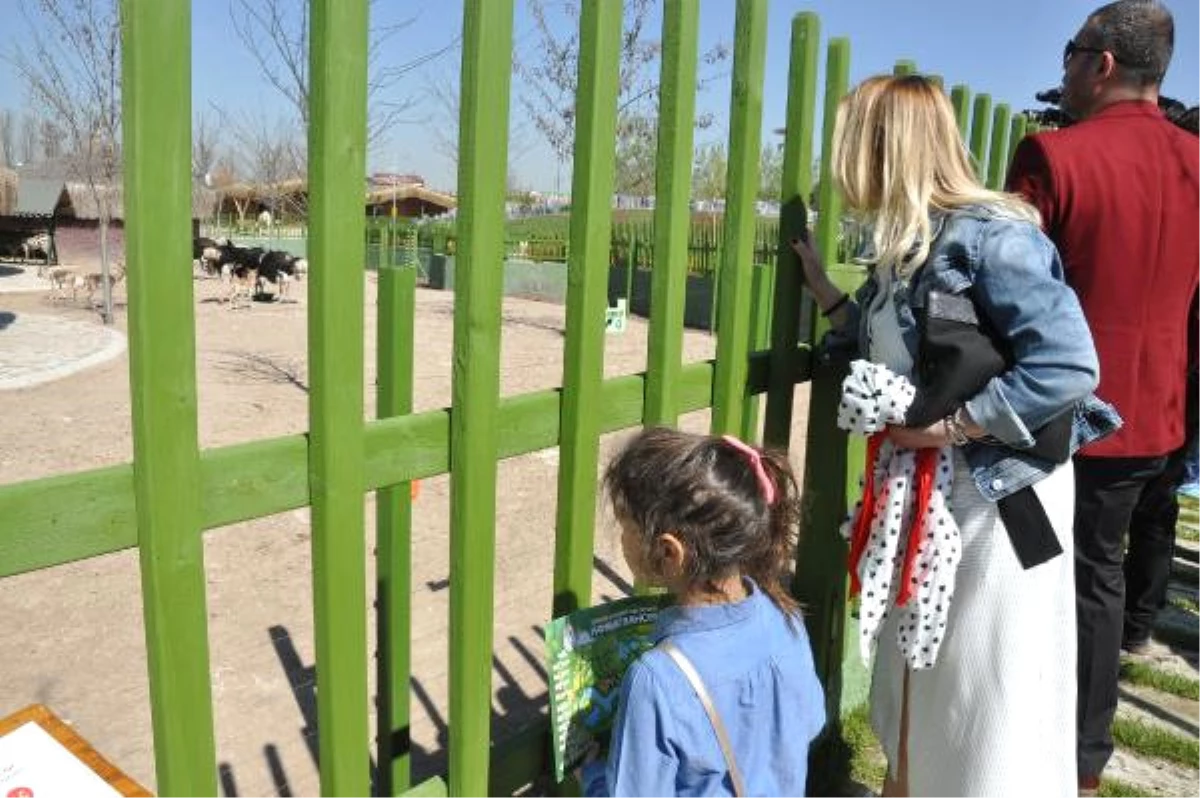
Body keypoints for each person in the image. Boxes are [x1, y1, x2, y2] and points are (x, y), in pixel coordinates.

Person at [791, 74, 1117, 798]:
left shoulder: (991, 237)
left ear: (885, 149)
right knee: (926, 679)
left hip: (996, 505)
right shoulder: (910, 244)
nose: (843, 167)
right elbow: (905, 349)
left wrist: (950, 427)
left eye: (852, 147)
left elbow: (1070, 365)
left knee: (982, 692)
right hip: (937, 501)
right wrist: (828, 295)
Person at [1005, 2, 1200, 792]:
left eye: (1072, 53)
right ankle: (1084, 762)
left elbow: (1003, 284)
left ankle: (1013, 730)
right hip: (1158, 411)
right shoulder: (1194, 160)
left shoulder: (1052, 156)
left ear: (1103, 64)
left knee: (1026, 568)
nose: (1066, 70)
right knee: (1098, 578)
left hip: (1053, 412)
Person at [579, 427, 825, 797]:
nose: (621, 540)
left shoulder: (657, 679)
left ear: (669, 552)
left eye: (626, 526)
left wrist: (593, 774)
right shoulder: (785, 617)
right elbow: (811, 721)